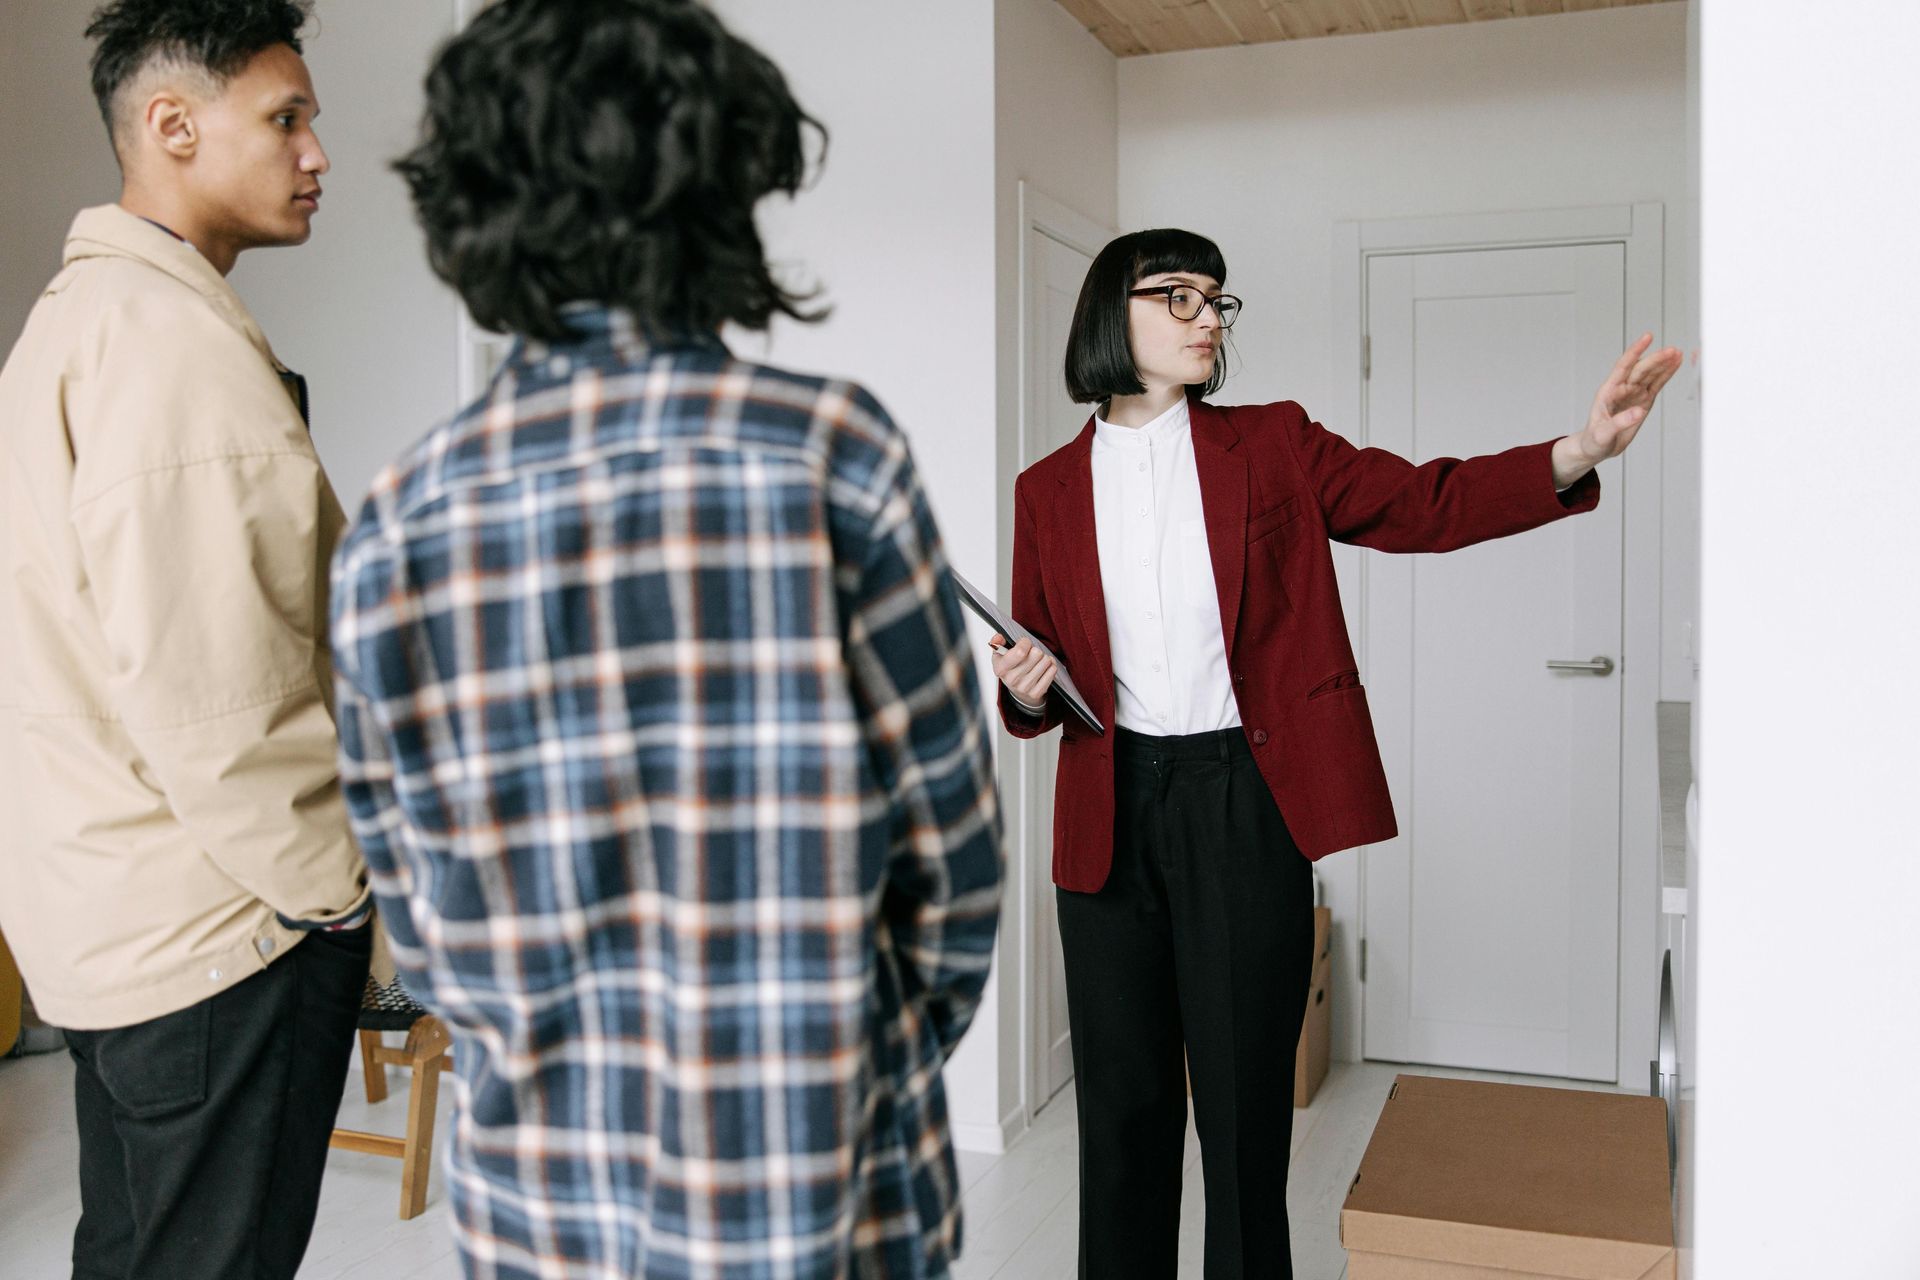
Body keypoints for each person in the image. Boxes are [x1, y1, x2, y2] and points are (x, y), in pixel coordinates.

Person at [328, 2, 1004, 1277]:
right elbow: (954, 877)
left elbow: (417, 915)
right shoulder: (832, 458)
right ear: (727, 189)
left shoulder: (398, 522)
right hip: (828, 1200)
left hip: (541, 1217)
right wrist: (839, 1071)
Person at [989, 227, 1680, 1280]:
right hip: (1107, 817)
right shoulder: (1047, 489)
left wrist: (1574, 452)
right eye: (1177, 296)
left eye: (1217, 300)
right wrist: (1027, 686)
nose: (1206, 318)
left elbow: (1422, 502)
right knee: (1122, 1126)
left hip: (1242, 801)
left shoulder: (1270, 443)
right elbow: (1038, 675)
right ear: (1106, 313)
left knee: (1242, 1122)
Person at [0, 1, 375, 1276]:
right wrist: (346, 897)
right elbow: (225, 708)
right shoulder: (168, 350)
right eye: (287, 118)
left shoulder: (73, 322)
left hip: (105, 915)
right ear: (171, 126)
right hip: (216, 940)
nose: (317, 151)